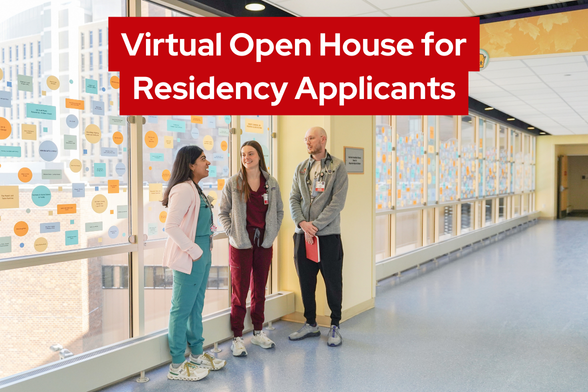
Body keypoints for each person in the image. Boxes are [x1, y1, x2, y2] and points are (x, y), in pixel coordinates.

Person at [162, 145, 226, 381]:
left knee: (196, 308)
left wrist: (202, 252)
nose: (207, 162)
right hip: (190, 257)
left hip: (201, 255)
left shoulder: (195, 188)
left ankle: (197, 356)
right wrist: (194, 251)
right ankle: (177, 365)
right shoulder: (182, 189)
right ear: (190, 164)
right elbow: (170, 226)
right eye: (202, 159)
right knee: (181, 310)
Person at [219, 140, 284, 357]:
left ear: (259, 155)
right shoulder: (233, 182)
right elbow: (223, 212)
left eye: (251, 153)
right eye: (243, 155)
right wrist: (233, 234)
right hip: (241, 245)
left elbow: (279, 212)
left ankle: (257, 332)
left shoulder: (271, 183)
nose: (246, 158)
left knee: (259, 290)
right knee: (240, 291)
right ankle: (237, 337)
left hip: (263, 243)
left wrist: (271, 235)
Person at [288, 126, 349, 347]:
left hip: (328, 237)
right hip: (302, 236)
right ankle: (311, 323)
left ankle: (334, 325)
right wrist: (303, 224)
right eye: (306, 139)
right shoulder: (301, 168)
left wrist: (316, 225)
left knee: (333, 282)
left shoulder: (337, 167)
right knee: (306, 281)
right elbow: (293, 198)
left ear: (323, 139)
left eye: (311, 138)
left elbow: (337, 203)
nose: (307, 142)